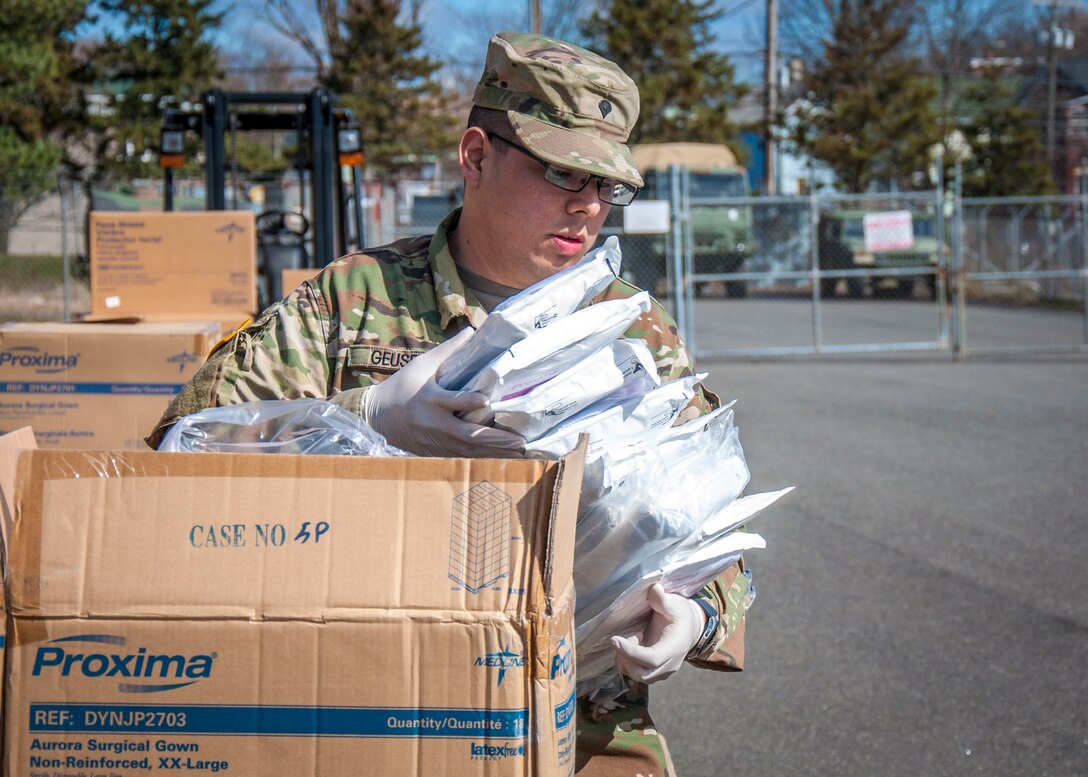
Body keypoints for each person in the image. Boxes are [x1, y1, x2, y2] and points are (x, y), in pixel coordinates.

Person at [147, 32, 752, 776]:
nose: (589, 206)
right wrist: (358, 418)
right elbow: (175, 453)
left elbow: (716, 524)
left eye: (609, 185)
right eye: (564, 171)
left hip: (574, 720)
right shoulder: (352, 300)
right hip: (366, 702)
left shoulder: (632, 327)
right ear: (476, 155)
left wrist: (697, 616)